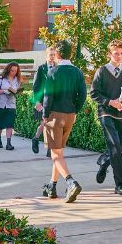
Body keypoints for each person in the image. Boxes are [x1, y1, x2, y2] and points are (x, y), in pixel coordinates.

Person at [90, 39, 122, 195]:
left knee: (118, 148)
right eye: (115, 54)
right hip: (106, 113)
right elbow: (93, 93)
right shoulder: (102, 71)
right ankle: (121, 185)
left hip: (121, 114)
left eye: (121, 53)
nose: (118, 56)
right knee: (115, 147)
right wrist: (109, 102)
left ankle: (104, 162)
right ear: (109, 54)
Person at [40, 40, 86, 203]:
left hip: (54, 115)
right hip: (70, 115)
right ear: (70, 54)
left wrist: (45, 115)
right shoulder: (78, 72)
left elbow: (48, 96)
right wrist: (75, 110)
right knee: (58, 152)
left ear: (57, 54)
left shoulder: (53, 71)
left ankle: (70, 182)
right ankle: (51, 186)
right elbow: (83, 95)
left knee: (55, 153)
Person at [31, 44, 60, 156]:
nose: (52, 57)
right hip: (44, 100)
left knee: (52, 124)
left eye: (54, 55)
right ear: (46, 55)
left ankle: (49, 148)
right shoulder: (41, 68)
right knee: (45, 122)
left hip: (56, 100)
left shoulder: (58, 68)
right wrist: (37, 101)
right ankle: (36, 138)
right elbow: (36, 86)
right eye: (50, 54)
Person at [0, 62, 22, 149]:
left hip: (11, 105)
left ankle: (8, 144)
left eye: (15, 71)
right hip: (1, 104)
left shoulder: (17, 80)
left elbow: (16, 90)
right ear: (8, 70)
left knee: (9, 124)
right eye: (12, 70)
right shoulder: (1, 78)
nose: (13, 72)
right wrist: (4, 91)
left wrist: (18, 92)